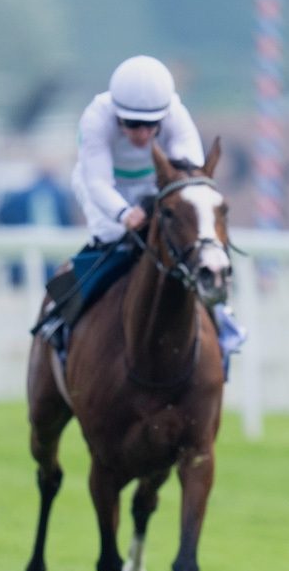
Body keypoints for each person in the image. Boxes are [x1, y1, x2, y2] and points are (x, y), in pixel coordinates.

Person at [34, 56, 242, 356]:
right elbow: (98, 184)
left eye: (151, 125)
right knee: (113, 244)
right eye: (133, 124)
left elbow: (189, 176)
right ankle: (61, 314)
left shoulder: (176, 115)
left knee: (191, 251)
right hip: (106, 188)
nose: (143, 134)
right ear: (117, 115)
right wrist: (124, 214)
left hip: (156, 185)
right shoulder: (96, 117)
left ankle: (223, 320)